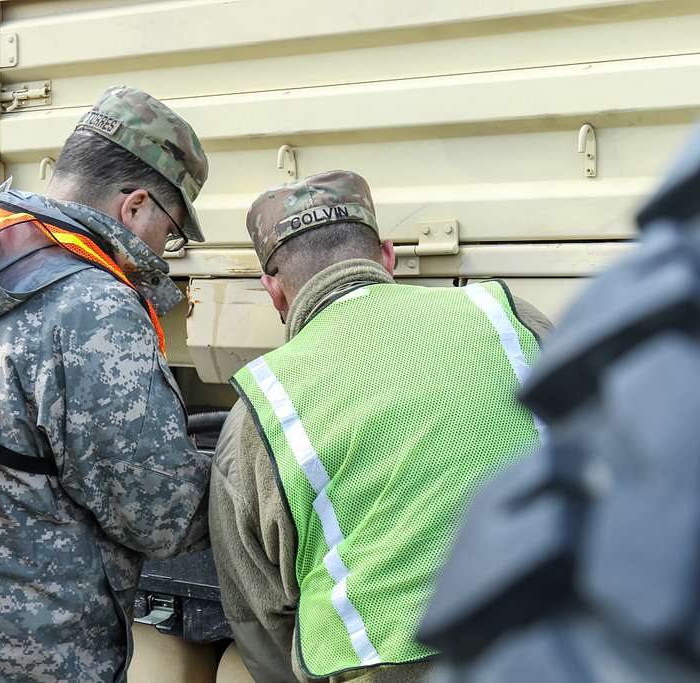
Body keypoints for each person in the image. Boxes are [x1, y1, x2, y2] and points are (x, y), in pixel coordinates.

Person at [0, 86, 212, 683]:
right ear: (135, 208)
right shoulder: (90, 302)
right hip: (26, 651)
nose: (163, 251)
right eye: (171, 231)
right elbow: (161, 516)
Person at [209, 170, 553, 683]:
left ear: (273, 292)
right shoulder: (505, 315)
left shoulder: (257, 413)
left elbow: (259, 622)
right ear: (387, 255)